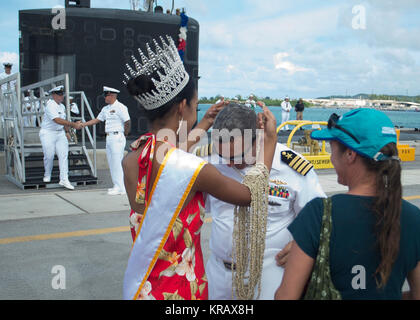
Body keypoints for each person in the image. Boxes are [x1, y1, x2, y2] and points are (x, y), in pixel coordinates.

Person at [121, 35, 278, 300]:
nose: (197, 109)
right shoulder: (194, 169)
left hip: (143, 287)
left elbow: (169, 153)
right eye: (195, 104)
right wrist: (270, 142)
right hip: (180, 292)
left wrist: (203, 123)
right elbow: (251, 195)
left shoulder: (133, 158)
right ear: (183, 107)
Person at [275, 108, 420, 300]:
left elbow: (286, 297)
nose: (330, 157)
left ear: (350, 154)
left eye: (332, 148)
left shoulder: (320, 214)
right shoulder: (413, 218)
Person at [194, 103, 326, 300]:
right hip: (218, 275)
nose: (229, 163)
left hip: (270, 273)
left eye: (236, 156)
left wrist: (305, 243)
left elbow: (321, 216)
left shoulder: (290, 167)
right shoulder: (208, 160)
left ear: (258, 137)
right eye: (223, 155)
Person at [81, 86, 131, 195]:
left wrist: (124, 135)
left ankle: (122, 187)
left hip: (117, 136)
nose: (104, 98)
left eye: (106, 95)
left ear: (112, 96)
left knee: (117, 162)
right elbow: (97, 120)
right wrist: (83, 124)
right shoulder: (106, 109)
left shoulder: (121, 107)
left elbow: (127, 122)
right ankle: (116, 185)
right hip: (109, 137)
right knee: (112, 162)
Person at [39, 86, 83, 190]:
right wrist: (73, 124)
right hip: (48, 133)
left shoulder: (62, 107)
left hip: (60, 133)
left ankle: (64, 179)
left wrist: (67, 131)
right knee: (49, 155)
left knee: (63, 155)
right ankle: (47, 174)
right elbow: (57, 120)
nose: (61, 96)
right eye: (59, 94)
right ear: (53, 95)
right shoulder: (50, 105)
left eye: (62, 94)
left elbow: (63, 121)